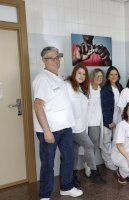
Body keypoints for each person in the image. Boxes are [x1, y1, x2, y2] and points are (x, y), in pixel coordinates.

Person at [32, 46, 83, 199]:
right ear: (43, 60)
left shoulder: (58, 77)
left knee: (68, 157)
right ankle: (45, 195)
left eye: (57, 57)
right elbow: (38, 105)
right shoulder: (42, 78)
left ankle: (66, 187)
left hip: (65, 127)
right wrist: (46, 131)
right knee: (48, 163)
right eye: (51, 58)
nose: (55, 61)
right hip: (50, 130)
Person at [65, 64, 105, 187]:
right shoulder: (67, 85)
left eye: (84, 74)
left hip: (80, 125)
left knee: (75, 152)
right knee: (89, 145)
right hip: (73, 127)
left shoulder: (80, 88)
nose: (82, 76)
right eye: (79, 73)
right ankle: (94, 173)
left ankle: (73, 176)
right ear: (74, 73)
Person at [100, 66, 123, 170]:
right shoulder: (105, 89)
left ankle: (114, 160)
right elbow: (104, 107)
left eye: (116, 74)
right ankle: (108, 162)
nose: (114, 76)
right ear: (108, 77)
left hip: (119, 119)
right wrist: (109, 121)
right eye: (111, 75)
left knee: (116, 141)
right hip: (109, 120)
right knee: (106, 142)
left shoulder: (120, 87)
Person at [84, 69, 105, 177]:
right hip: (88, 121)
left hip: (97, 121)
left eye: (101, 76)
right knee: (89, 145)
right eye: (97, 76)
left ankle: (89, 164)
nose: (99, 78)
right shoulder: (87, 88)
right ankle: (89, 165)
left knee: (94, 144)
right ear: (92, 77)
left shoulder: (100, 89)